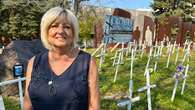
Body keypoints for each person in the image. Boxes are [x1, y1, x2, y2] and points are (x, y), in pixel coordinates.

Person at [24, 6, 100, 110]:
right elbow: (27, 104)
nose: (60, 31)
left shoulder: (87, 62)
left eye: (67, 27)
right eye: (54, 26)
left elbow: (94, 106)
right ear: (46, 31)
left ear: (73, 32)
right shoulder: (34, 62)